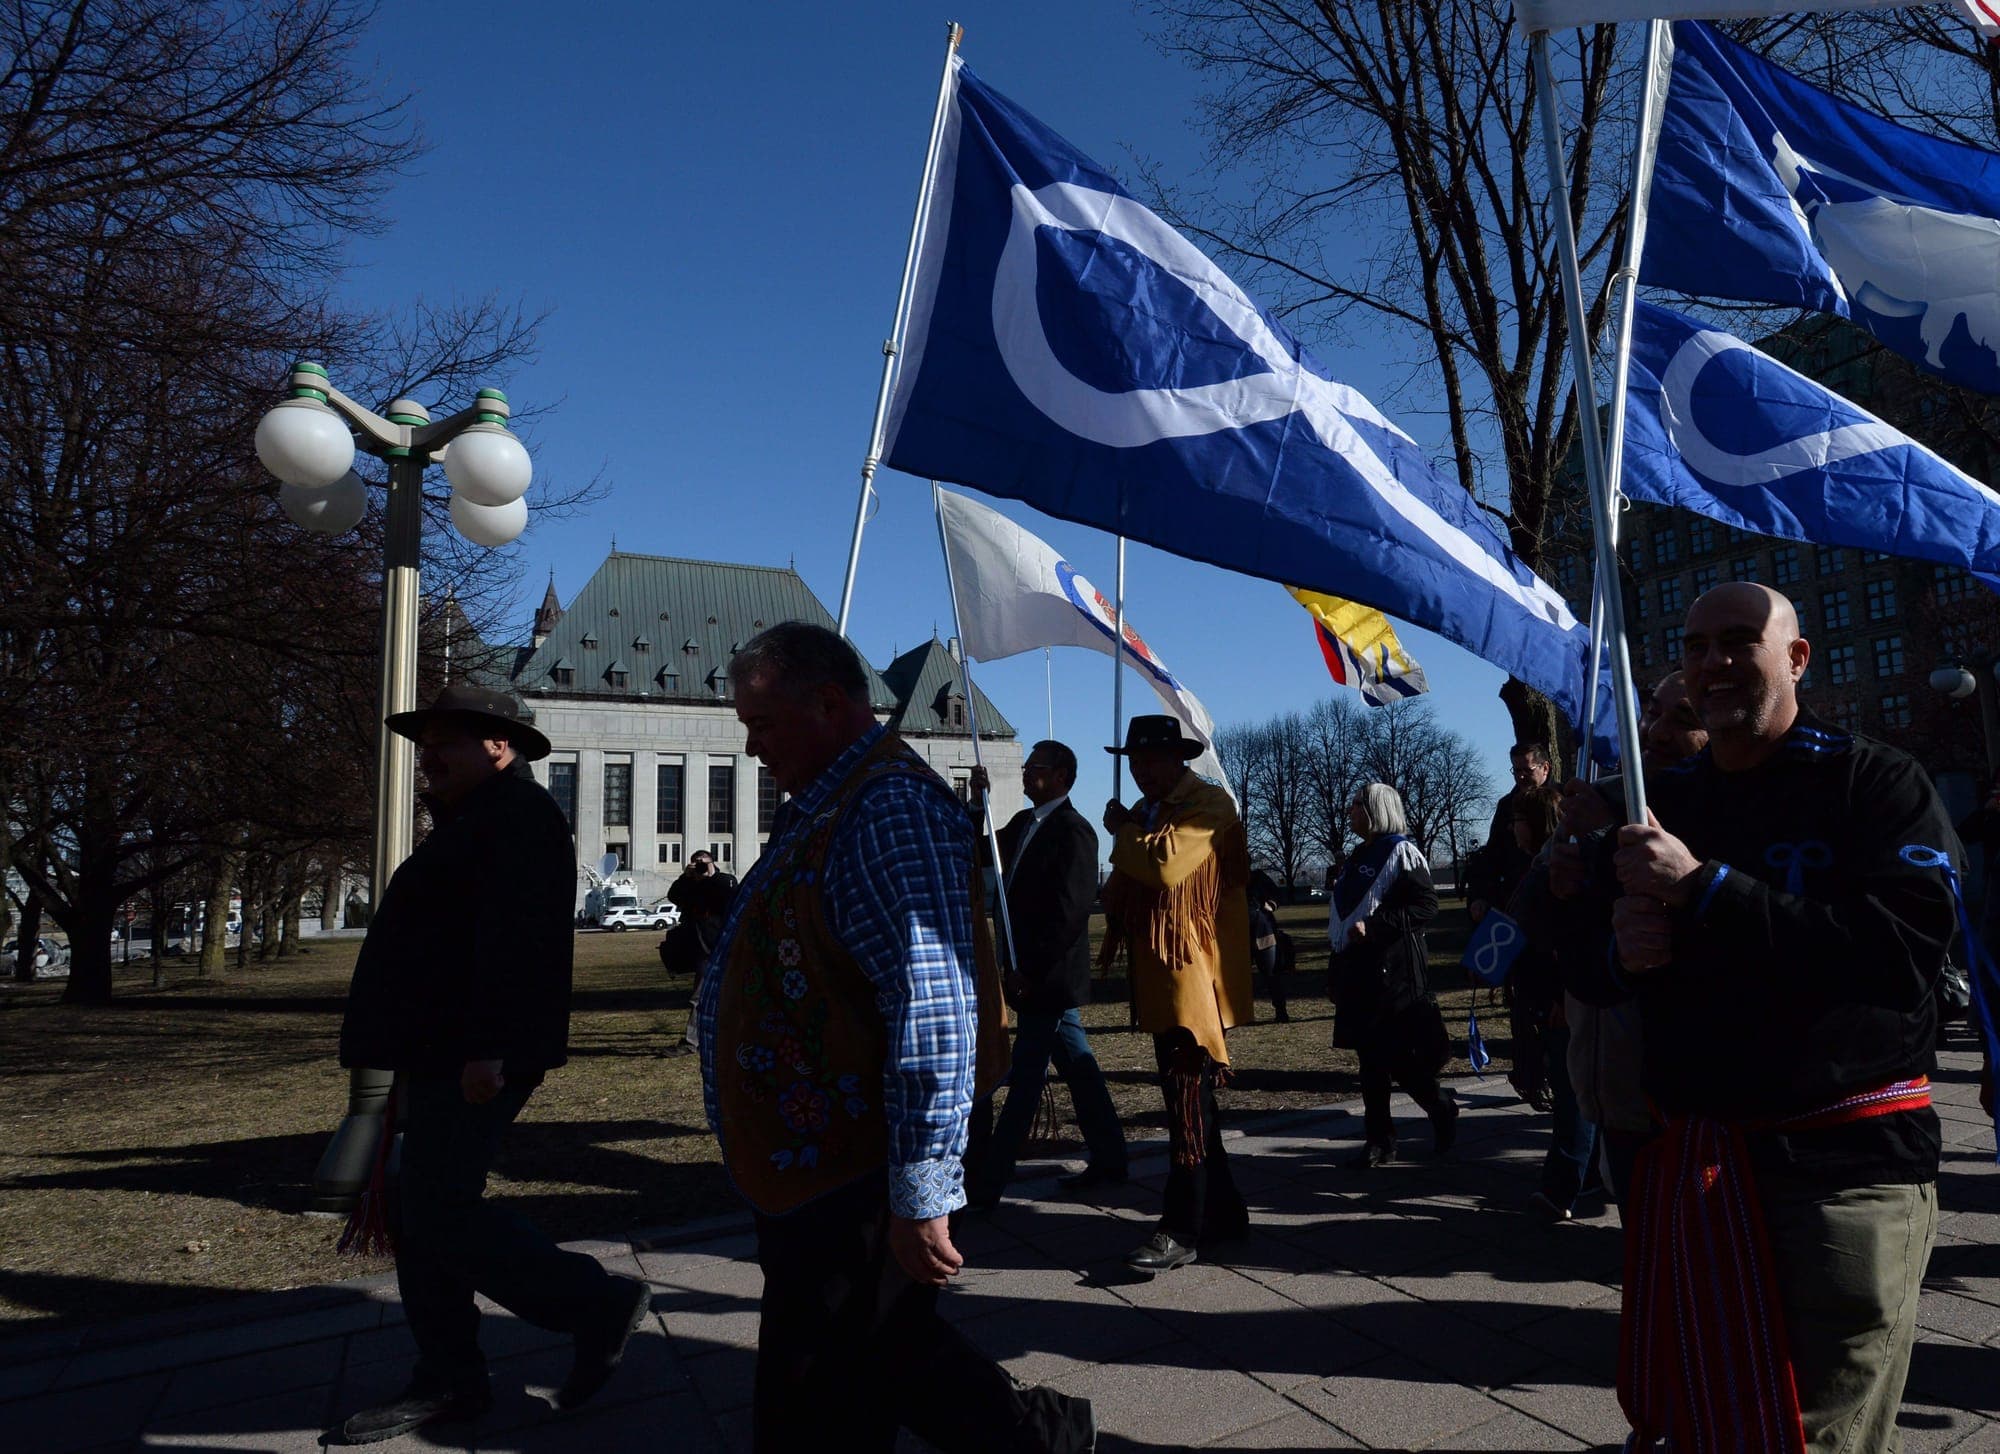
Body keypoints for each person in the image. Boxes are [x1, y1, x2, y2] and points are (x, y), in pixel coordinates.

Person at [1551, 583, 1955, 1453]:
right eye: (1696, 647)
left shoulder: (1873, 782)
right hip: (1694, 1167)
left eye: (1740, 641)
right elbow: (1576, 962)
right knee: (1697, 1418)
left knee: (1805, 1436)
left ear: (1797, 657)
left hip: (1841, 1174)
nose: (1713, 664)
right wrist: (1621, 948)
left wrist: (1707, 889)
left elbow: (1903, 955)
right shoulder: (1658, 802)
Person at [692, 622, 1094, 1453]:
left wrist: (920, 1191)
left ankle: (1039, 1435)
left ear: (829, 704)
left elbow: (935, 1009)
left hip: (857, 1160)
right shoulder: (832, 801)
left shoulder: (886, 807)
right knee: (875, 1350)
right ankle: (1040, 1436)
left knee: (822, 1384)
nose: (751, 746)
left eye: (762, 724)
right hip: (820, 1156)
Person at [335, 684, 649, 1446]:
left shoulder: (517, 819)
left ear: (498, 746)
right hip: (439, 1052)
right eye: (425, 741)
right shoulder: (478, 818)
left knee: (440, 1210)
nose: (427, 755)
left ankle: (590, 1303)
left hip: (473, 1055)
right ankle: (449, 1375)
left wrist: (489, 1049)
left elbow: (520, 945)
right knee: (423, 1217)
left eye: (446, 740)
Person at [1098, 715, 1255, 1274]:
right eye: (1134, 763)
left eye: (1150, 761)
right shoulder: (1153, 813)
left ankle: (1181, 1229)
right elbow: (1124, 886)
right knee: (1194, 1106)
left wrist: (1123, 831)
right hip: (1165, 980)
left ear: (1176, 759)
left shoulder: (1208, 806)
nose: (1140, 772)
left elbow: (1164, 867)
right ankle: (1226, 1212)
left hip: (1197, 983)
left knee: (1187, 1107)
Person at [964, 743, 1128, 1207]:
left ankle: (988, 1184)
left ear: (1061, 776)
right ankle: (1112, 1157)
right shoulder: (1022, 825)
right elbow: (976, 850)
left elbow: (1069, 915)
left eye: (1033, 767)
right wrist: (977, 802)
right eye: (1025, 766)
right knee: (1079, 1068)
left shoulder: (1075, 832)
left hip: (1048, 981)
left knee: (1024, 1082)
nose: (1024, 773)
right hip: (1028, 977)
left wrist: (1028, 973)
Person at [1327, 782, 1455, 1168]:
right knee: (1370, 1063)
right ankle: (1379, 1139)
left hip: (1394, 974)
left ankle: (1440, 1106)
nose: (1350, 811)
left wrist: (1377, 925)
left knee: (1398, 1059)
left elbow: (1427, 906)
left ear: (1375, 810)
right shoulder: (1356, 857)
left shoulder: (1402, 852)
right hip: (1359, 973)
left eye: (1356, 805)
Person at [1506, 784, 1595, 1220]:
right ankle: (1589, 1176)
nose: (1512, 827)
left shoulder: (1564, 863)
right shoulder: (1534, 864)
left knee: (1572, 1094)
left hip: (1565, 994)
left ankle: (1561, 1188)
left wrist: (1564, 991)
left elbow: (1567, 934)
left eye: (1519, 819)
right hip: (1544, 991)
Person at [1470, 741, 1554, 1111]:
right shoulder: (1507, 806)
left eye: (1527, 770)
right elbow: (1491, 857)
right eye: (1515, 771)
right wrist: (1480, 894)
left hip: (1548, 914)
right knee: (1520, 1002)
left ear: (1545, 768)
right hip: (1514, 914)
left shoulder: (1559, 801)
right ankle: (1529, 1072)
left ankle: (1547, 1072)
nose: (1521, 777)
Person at [660, 849, 738, 1054]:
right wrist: (685, 877)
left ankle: (724, 1036)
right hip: (703, 947)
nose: (700, 866)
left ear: (712, 862)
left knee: (732, 993)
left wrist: (710, 875)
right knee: (699, 996)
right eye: (696, 863)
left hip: (725, 945)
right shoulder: (691, 886)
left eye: (703, 862)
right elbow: (673, 895)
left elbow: (731, 894)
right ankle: (692, 1042)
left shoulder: (724, 880)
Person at [1248, 869, 1292, 1023]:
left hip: (1263, 931)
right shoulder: (1225, 878)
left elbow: (1277, 894)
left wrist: (1271, 905)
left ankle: (1281, 1011)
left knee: (1271, 973)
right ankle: (1240, 1014)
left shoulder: (1258, 877)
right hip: (1236, 935)